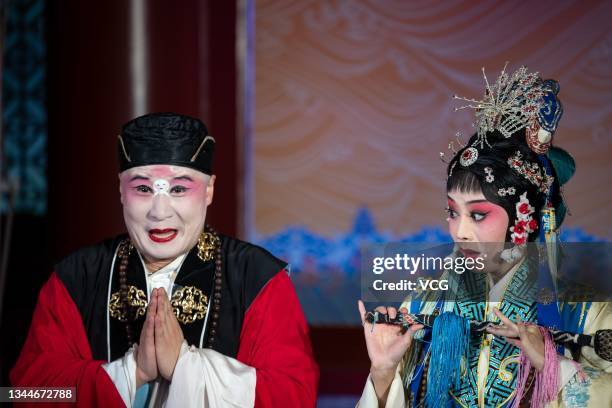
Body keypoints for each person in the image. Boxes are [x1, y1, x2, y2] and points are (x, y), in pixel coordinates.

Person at [11, 112, 319, 407]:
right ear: (121, 190)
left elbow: (294, 397)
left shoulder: (258, 278)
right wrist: (131, 372)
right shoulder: (76, 278)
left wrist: (185, 367)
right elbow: (20, 395)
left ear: (209, 190)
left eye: (179, 188)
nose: (160, 212)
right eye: (143, 188)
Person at [357, 66, 612, 407]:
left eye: (478, 214)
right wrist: (384, 373)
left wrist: (552, 366)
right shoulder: (423, 305)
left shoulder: (586, 314)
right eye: (452, 212)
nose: (459, 230)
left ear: (525, 218)